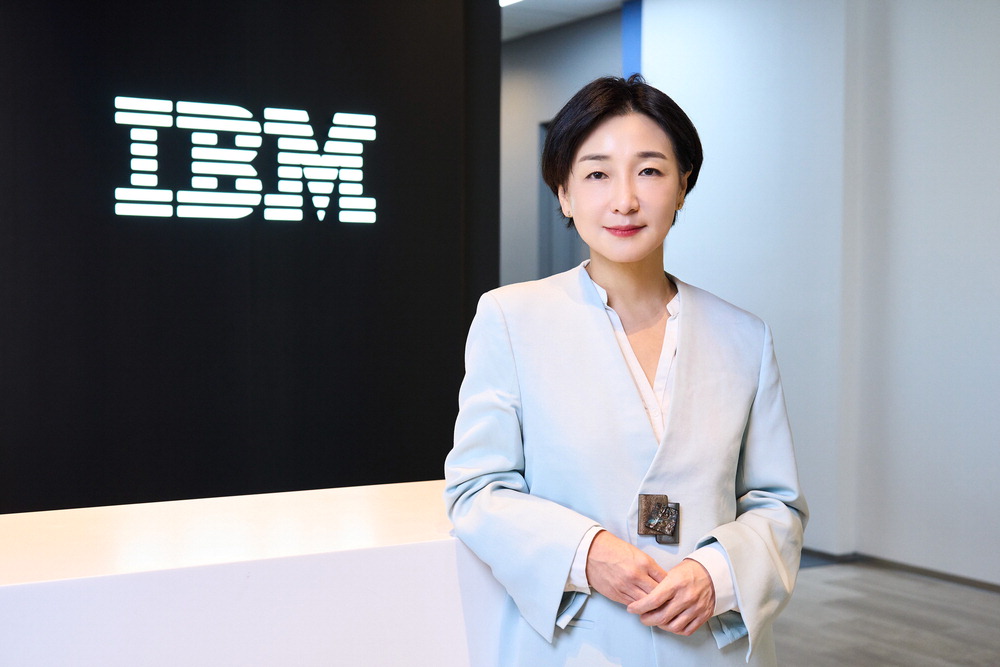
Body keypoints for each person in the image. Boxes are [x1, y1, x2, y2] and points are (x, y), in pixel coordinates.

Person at [444, 74, 807, 666]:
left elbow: (777, 504)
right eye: (597, 174)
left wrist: (717, 572)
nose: (625, 200)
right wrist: (587, 553)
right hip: (578, 645)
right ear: (563, 192)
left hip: (707, 647)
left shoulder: (745, 336)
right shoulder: (511, 319)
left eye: (650, 171)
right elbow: (476, 491)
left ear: (683, 185)